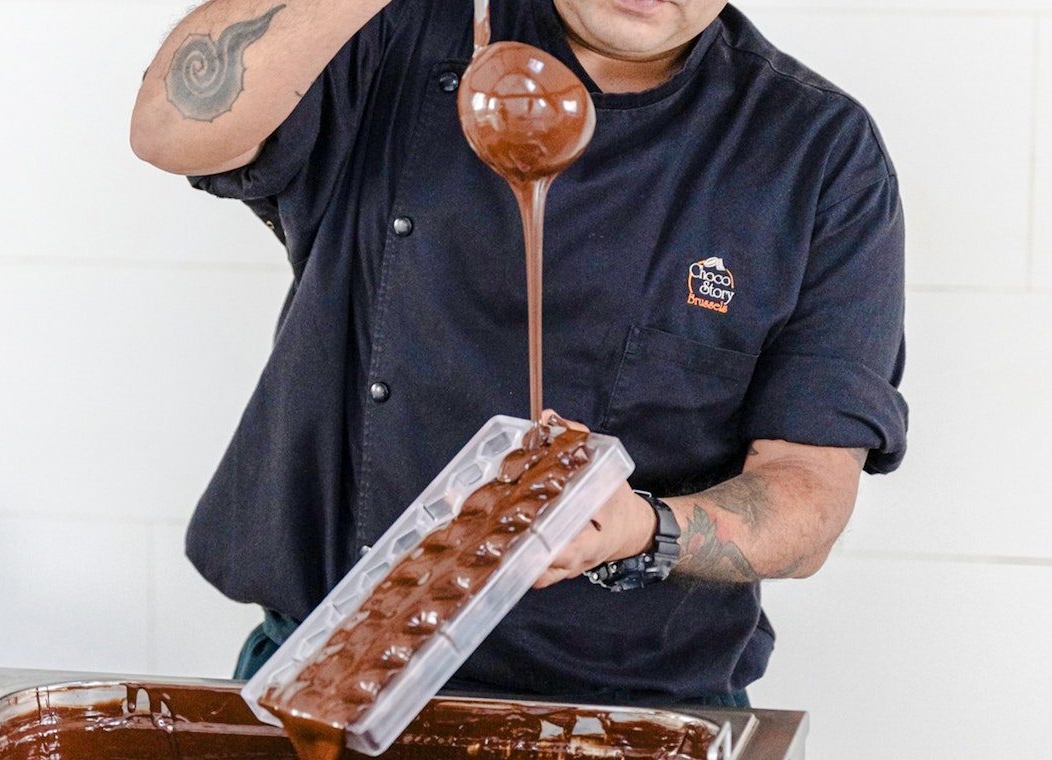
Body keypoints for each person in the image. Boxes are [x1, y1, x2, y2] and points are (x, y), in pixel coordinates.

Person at [130, 0, 907, 707]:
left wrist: (642, 527)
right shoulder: (398, 36)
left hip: (628, 708)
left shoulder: (813, 152)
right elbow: (169, 128)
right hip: (325, 674)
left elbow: (809, 495)